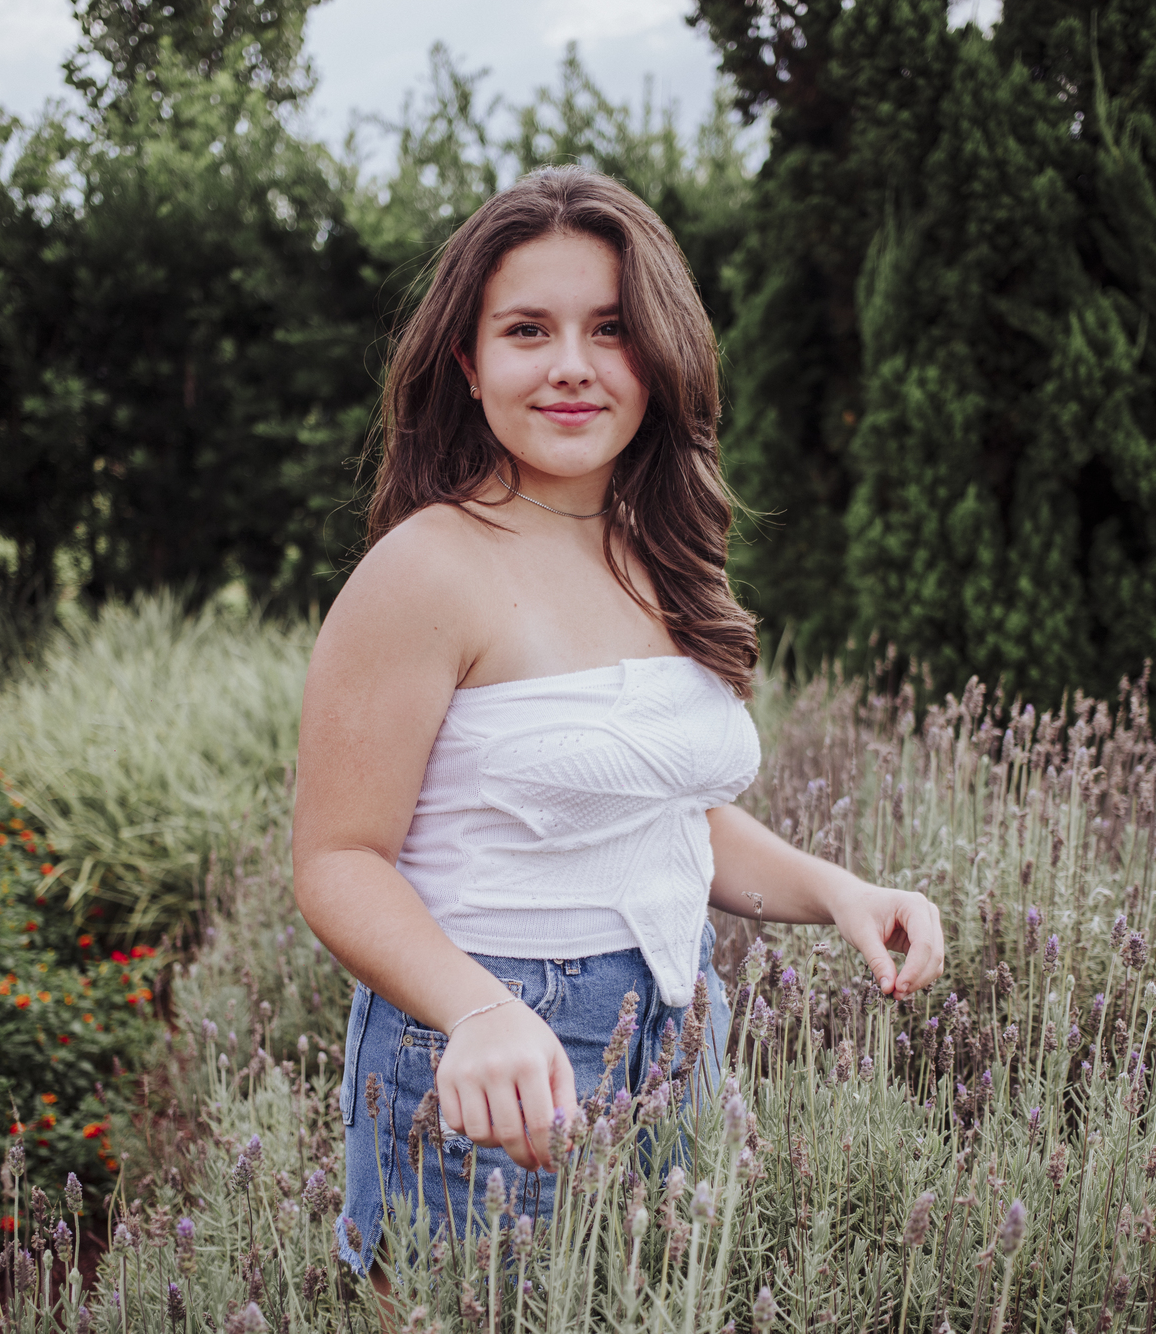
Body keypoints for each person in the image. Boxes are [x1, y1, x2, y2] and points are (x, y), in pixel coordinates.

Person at [291, 167, 944, 1276]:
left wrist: (842, 892)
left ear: (660, 352)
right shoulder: (424, 570)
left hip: (678, 1035)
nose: (572, 365)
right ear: (469, 363)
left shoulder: (661, 548)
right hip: (493, 1054)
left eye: (610, 329)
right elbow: (337, 862)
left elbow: (663, 816)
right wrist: (479, 1013)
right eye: (527, 330)